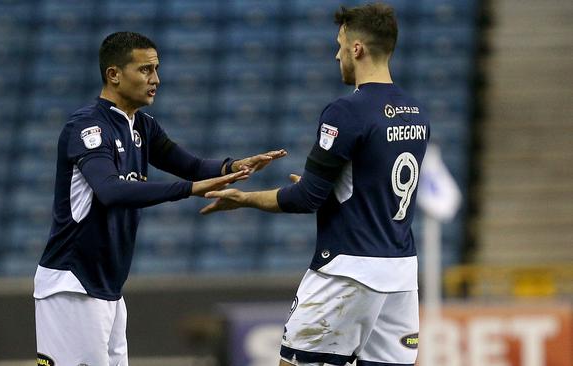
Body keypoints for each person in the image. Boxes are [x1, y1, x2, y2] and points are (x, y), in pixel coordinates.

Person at [33, 31, 286, 366]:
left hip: (107, 287)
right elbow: (111, 191)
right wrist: (190, 189)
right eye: (146, 70)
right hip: (72, 283)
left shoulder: (143, 126)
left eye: (156, 69)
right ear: (114, 74)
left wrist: (233, 165)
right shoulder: (88, 128)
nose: (156, 79)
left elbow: (192, 166)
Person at [201, 4, 429, 366]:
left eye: (340, 44)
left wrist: (244, 198)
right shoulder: (416, 112)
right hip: (400, 272)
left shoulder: (346, 112)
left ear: (357, 49)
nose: (336, 53)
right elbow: (369, 187)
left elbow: (307, 197)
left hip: (346, 270)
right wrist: (330, 190)